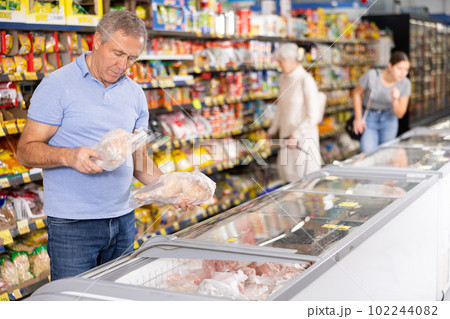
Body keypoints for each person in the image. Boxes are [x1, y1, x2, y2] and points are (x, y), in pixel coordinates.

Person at [16, 11, 190, 281]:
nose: (123, 65)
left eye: (132, 58)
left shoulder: (134, 94)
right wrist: (69, 156)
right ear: (97, 41)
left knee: (115, 301)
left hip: (122, 220)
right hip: (73, 225)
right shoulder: (57, 86)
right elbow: (25, 150)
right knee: (73, 304)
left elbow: (139, 161)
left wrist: (170, 189)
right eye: (117, 53)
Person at [267, 43, 322, 183]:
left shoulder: (306, 80)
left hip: (303, 140)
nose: (279, 65)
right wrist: (272, 130)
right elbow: (281, 107)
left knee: (305, 178)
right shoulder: (284, 79)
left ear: (291, 60)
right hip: (286, 137)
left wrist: (296, 135)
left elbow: (313, 116)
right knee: (288, 178)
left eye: (281, 61)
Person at [352, 51, 411, 153]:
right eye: (399, 69)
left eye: (406, 70)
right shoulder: (372, 76)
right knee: (367, 152)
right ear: (390, 66)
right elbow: (356, 94)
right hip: (369, 118)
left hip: (389, 118)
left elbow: (400, 114)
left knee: (387, 154)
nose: (403, 73)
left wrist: (395, 100)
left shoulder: (405, 84)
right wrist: (358, 118)